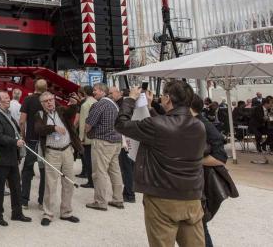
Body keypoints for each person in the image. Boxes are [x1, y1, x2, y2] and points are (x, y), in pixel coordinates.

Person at [115, 82, 206, 247]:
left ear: (168, 99)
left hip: (162, 197)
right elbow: (167, 125)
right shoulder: (199, 126)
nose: (161, 97)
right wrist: (149, 107)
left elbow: (121, 124)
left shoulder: (157, 126)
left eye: (163, 95)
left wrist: (129, 100)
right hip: (192, 196)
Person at [190, 94, 238, 247]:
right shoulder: (192, 123)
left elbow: (220, 158)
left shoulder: (201, 124)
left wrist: (189, 160)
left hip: (201, 182)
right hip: (194, 181)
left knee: (199, 225)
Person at [33, 91, 81, 226]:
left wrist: (74, 105)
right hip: (52, 153)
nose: (49, 102)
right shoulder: (39, 115)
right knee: (50, 184)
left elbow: (71, 114)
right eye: (46, 101)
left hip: (67, 151)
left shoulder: (61, 110)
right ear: (42, 104)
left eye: (51, 99)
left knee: (69, 183)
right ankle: (48, 214)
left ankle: (66, 212)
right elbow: (39, 129)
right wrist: (53, 128)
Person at [0, 90, 31, 226]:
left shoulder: (7, 114)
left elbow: (15, 130)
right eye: (5, 98)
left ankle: (17, 213)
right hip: (2, 158)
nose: (8, 99)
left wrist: (19, 139)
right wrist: (15, 142)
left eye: (8, 97)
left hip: (12, 156)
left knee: (15, 187)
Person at [84, 84, 124, 211]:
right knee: (115, 171)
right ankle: (118, 199)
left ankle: (100, 201)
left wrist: (86, 132)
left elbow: (89, 123)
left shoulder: (99, 104)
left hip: (102, 142)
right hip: (116, 141)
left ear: (102, 91)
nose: (93, 92)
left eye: (95, 90)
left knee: (99, 172)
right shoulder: (114, 104)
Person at [19, 79, 47, 210]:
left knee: (27, 171)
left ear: (35, 86)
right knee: (44, 171)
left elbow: (22, 121)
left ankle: (24, 201)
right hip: (45, 141)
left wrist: (23, 136)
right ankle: (42, 201)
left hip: (31, 140)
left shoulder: (28, 100)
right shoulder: (49, 100)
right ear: (46, 88)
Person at [77, 86, 96, 186]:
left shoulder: (85, 105)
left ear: (84, 92)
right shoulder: (96, 102)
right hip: (96, 136)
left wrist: (81, 138)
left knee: (88, 160)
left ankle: (91, 181)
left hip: (87, 137)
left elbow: (83, 123)